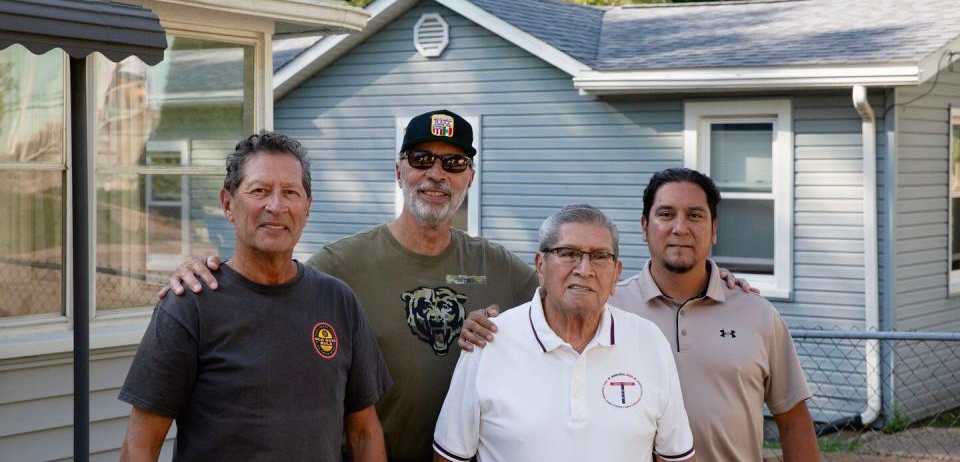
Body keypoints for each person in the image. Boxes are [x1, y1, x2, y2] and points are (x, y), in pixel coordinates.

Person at [161, 110, 538, 462]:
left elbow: (571, 302)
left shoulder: (499, 267)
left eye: (453, 163)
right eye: (421, 159)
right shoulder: (340, 266)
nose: (436, 174)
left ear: (470, 177)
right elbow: (267, 291)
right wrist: (209, 273)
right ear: (399, 171)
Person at [461, 168, 820, 462]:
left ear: (713, 230)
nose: (680, 227)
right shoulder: (605, 308)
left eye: (695, 216)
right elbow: (539, 313)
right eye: (666, 214)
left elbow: (792, 420)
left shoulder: (756, 315)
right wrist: (480, 323)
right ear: (645, 226)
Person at [118, 132, 391, 462]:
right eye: (259, 191)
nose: (276, 206)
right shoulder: (191, 304)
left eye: (290, 192)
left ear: (307, 207)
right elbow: (140, 445)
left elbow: (364, 431)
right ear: (227, 204)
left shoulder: (339, 302)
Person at [433, 205, 695, 462]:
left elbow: (675, 456)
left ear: (616, 274)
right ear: (541, 266)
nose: (584, 269)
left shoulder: (649, 341)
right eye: (568, 253)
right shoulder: (489, 341)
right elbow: (449, 457)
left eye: (600, 256)